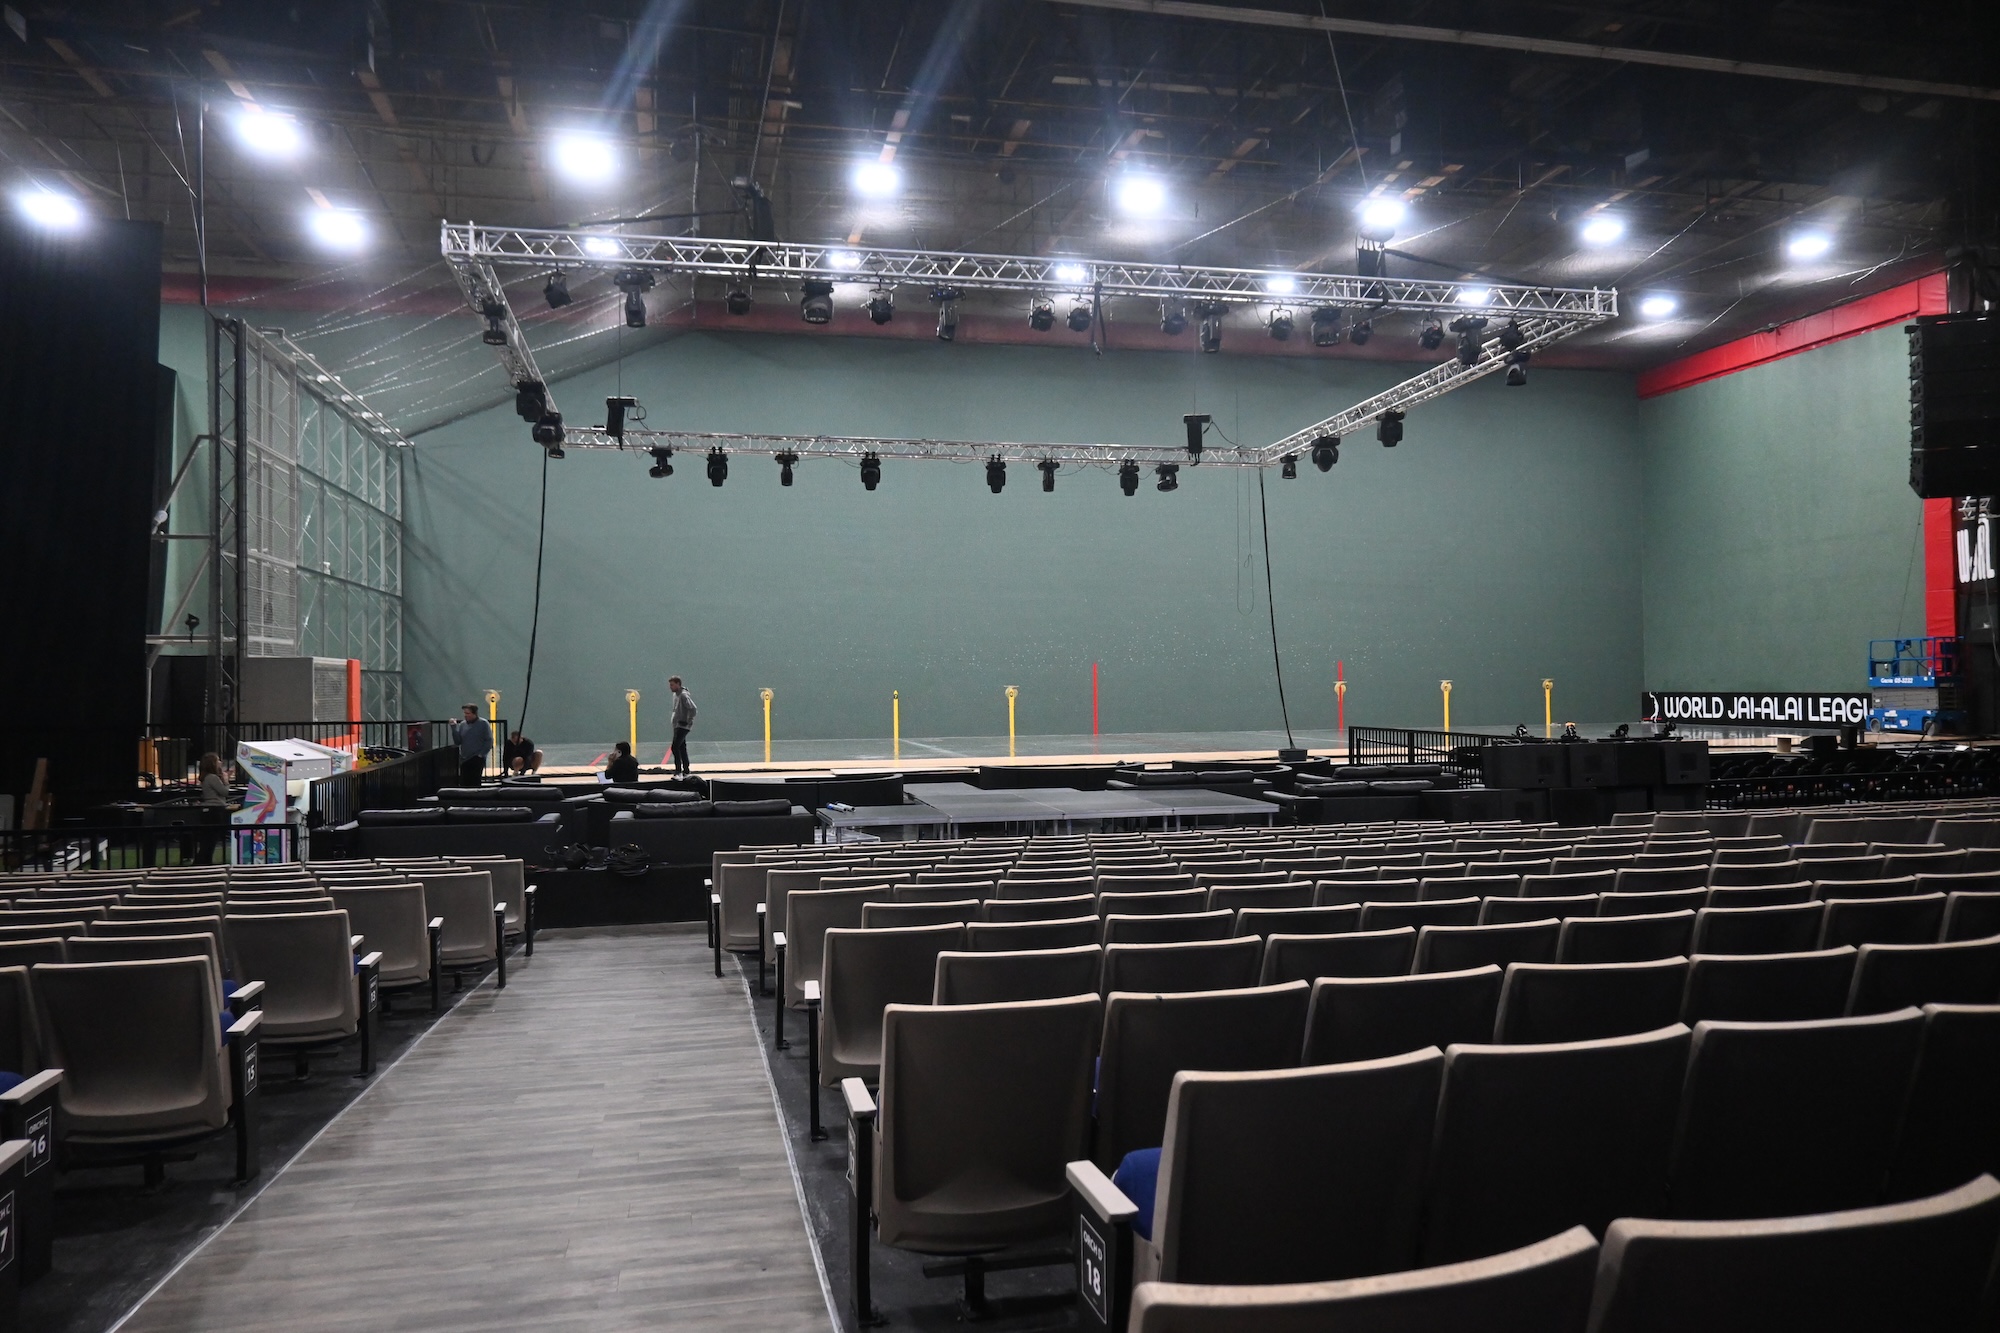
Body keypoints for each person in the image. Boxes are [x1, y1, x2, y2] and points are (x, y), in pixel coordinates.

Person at [454, 704, 493, 786]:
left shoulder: (483, 723)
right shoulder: (462, 725)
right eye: (465, 713)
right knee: (464, 782)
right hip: (465, 758)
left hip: (476, 758)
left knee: (475, 782)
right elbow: (458, 741)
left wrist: (481, 754)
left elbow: (489, 740)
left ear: (474, 713)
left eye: (468, 713)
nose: (465, 715)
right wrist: (453, 728)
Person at [669, 676, 697, 778]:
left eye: (672, 685)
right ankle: (686, 771)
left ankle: (678, 771)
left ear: (678, 684)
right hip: (677, 725)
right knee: (681, 747)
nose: (670, 687)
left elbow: (693, 709)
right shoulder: (675, 695)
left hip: (682, 725)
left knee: (675, 747)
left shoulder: (683, 696)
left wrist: (687, 721)